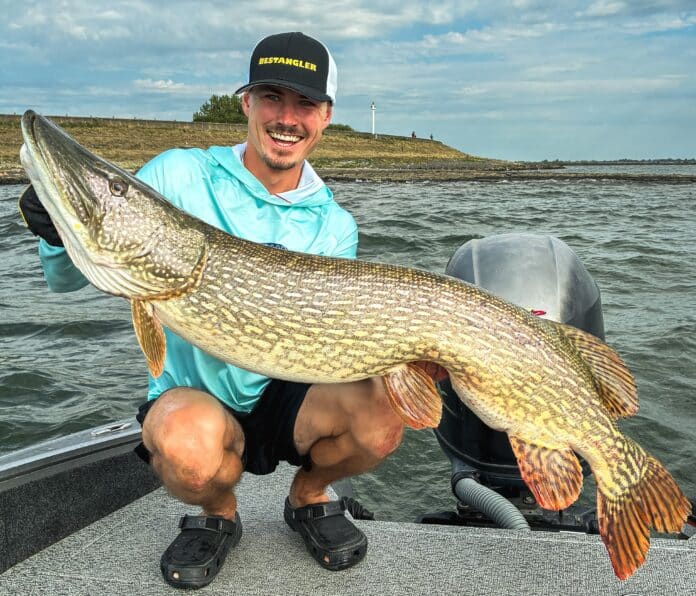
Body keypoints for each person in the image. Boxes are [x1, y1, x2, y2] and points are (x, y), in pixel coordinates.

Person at [19, 32, 405, 589]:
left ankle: (309, 494)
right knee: (188, 453)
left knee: (384, 419)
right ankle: (219, 512)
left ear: (325, 116)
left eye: (304, 103)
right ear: (246, 102)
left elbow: (330, 343)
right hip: (195, 395)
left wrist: (404, 362)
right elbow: (63, 280)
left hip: (284, 389)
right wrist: (55, 230)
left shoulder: (334, 225)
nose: (286, 118)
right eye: (271, 97)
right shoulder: (177, 174)